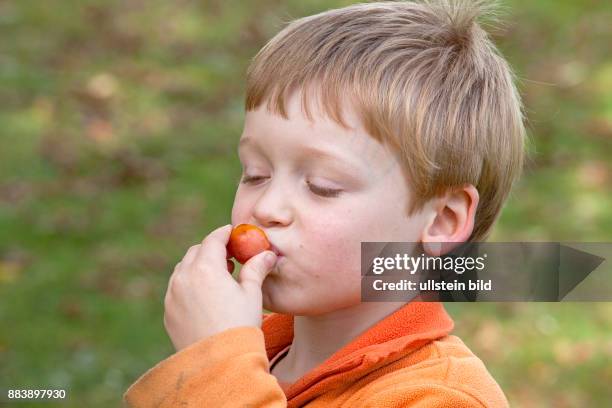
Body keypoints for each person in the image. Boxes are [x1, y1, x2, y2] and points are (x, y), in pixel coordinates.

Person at [124, 1, 524, 406]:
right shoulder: (256, 356)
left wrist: (215, 370)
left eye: (321, 185)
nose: (267, 207)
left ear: (441, 219)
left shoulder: (444, 397)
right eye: (255, 173)